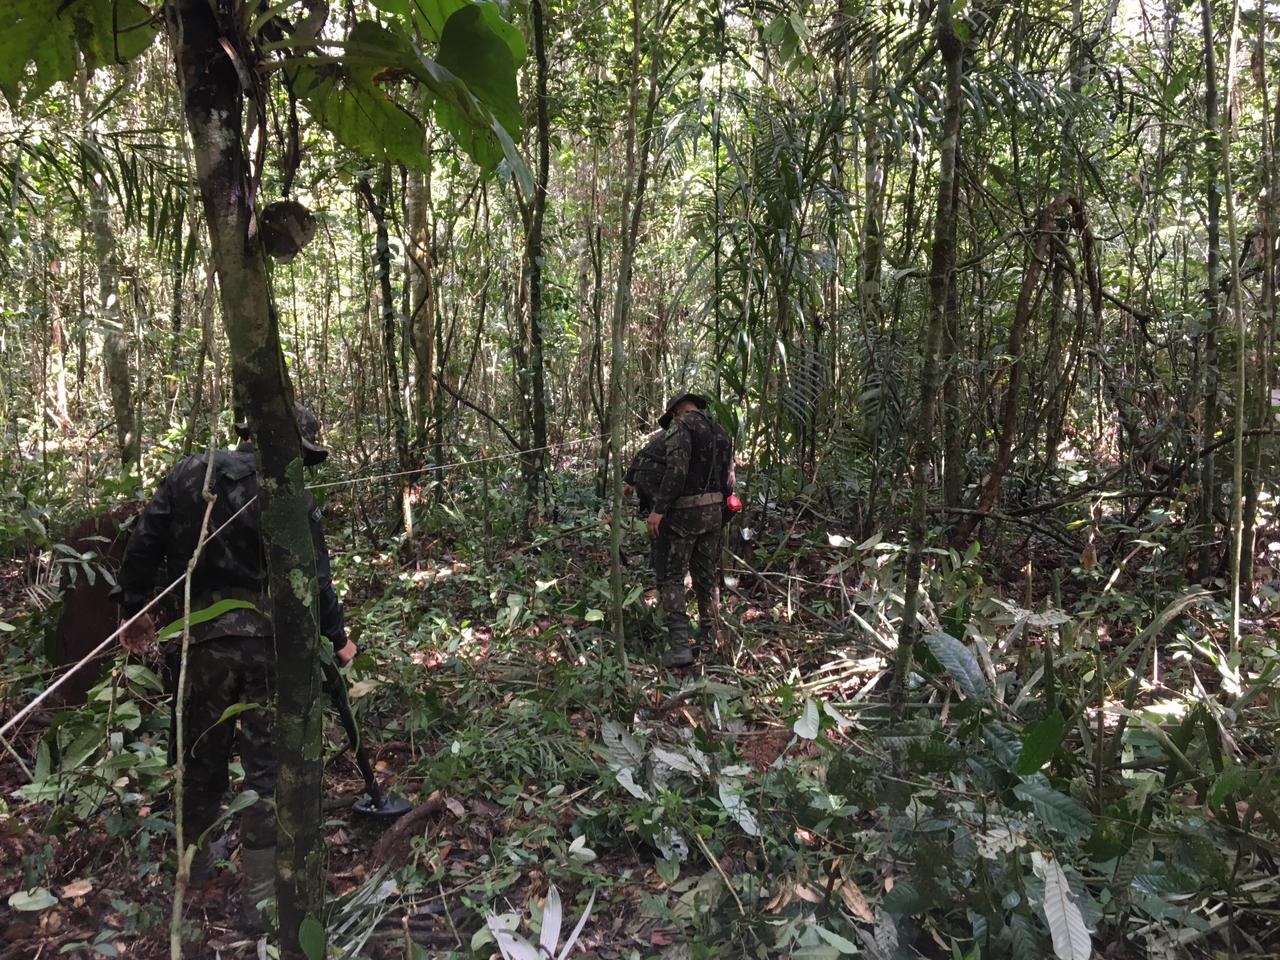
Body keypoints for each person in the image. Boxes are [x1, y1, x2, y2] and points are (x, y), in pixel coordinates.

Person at [114, 403, 354, 927]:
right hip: (268, 650)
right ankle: (259, 899)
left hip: (201, 646)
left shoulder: (189, 473)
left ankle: (194, 875)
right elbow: (316, 579)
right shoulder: (290, 495)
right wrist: (338, 639)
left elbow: (143, 544)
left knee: (199, 759)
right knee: (267, 772)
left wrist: (133, 609)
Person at [646, 392, 735, 667]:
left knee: (672, 576)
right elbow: (729, 481)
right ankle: (710, 643)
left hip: (684, 513)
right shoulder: (720, 431)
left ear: (675, 412)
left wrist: (658, 510)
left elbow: (677, 470)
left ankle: (680, 646)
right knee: (706, 577)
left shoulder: (680, 426)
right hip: (714, 513)